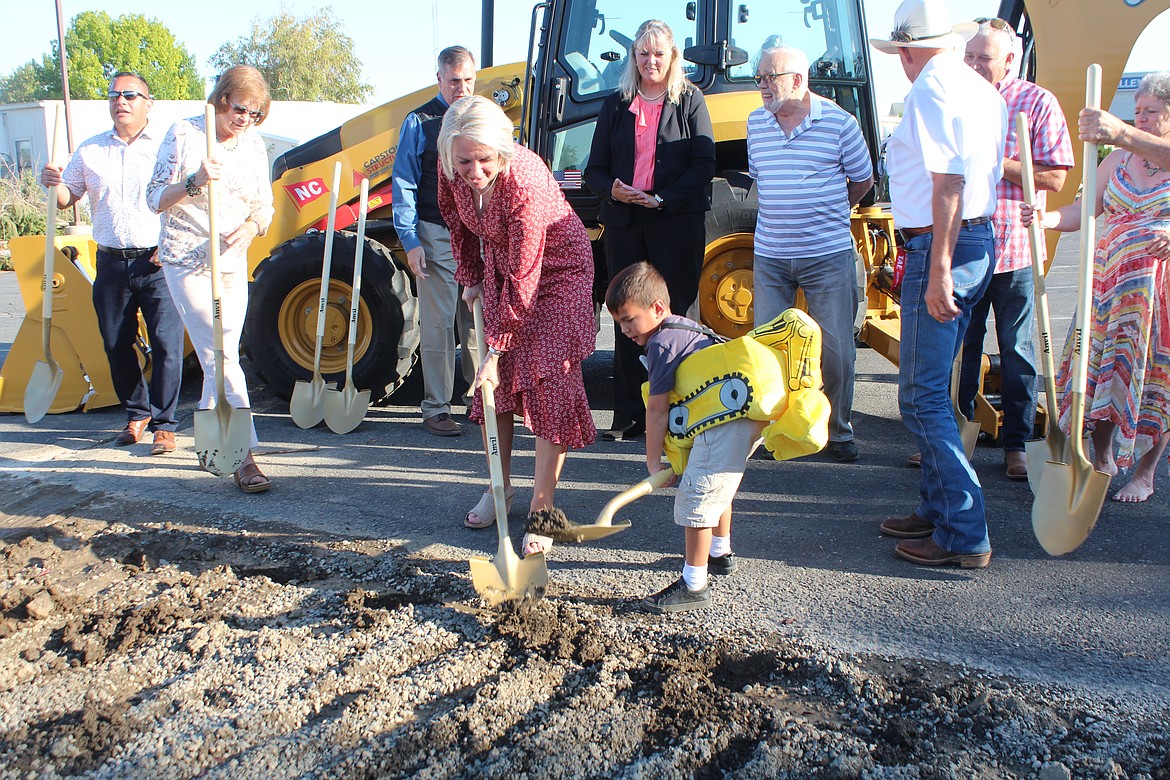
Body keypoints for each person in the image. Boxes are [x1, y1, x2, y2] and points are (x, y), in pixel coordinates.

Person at [870, 0, 1006, 568]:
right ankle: (937, 505)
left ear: (906, 51)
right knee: (936, 388)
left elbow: (948, 180)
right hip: (976, 239)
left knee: (920, 396)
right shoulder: (982, 89)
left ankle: (962, 531)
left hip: (941, 246)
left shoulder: (929, 88)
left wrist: (940, 267)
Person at [436, 95, 596, 552]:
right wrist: (469, 276)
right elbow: (458, 224)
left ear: (500, 150)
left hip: (557, 273)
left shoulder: (523, 181)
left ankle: (542, 511)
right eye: (464, 160)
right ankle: (500, 488)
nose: (474, 171)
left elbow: (528, 275)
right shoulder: (453, 165)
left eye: (484, 160)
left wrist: (495, 350)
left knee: (547, 384)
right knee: (496, 390)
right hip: (504, 267)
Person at [1022, 72, 1170, 503]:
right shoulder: (1118, 160)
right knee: (1101, 373)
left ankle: (1146, 472)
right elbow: (1084, 209)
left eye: (1152, 112)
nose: (1140, 119)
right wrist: (1047, 218)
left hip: (1157, 297)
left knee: (1156, 380)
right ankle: (1100, 459)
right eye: (1137, 111)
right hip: (1108, 291)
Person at [584, 19, 716, 442]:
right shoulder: (615, 103)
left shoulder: (692, 100)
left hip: (675, 221)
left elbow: (703, 165)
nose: (651, 60)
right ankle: (629, 416)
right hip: (625, 223)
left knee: (677, 313)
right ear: (634, 57)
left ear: (673, 56)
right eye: (644, 53)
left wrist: (664, 199)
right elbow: (594, 171)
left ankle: (685, 414)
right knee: (628, 316)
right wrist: (616, 191)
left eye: (659, 53)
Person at [146, 65, 275, 493]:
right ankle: (245, 458)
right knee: (219, 354)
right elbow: (153, 200)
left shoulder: (253, 145)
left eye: (255, 113)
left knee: (221, 354)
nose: (246, 120)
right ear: (222, 100)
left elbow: (264, 206)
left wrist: (252, 228)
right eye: (240, 109)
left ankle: (215, 446)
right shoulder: (185, 135)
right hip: (186, 258)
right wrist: (193, 181)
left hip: (231, 260)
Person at [41, 72, 185, 456]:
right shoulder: (89, 151)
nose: (120, 101)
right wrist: (52, 183)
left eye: (130, 95)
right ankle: (136, 415)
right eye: (114, 95)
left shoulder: (166, 149)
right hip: (110, 263)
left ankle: (164, 426)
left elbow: (186, 198)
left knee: (167, 345)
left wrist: (170, 243)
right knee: (115, 343)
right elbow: (65, 197)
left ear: (148, 103)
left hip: (157, 262)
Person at [606, 262, 761, 613]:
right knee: (718, 489)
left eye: (630, 319)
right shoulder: (686, 327)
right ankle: (720, 553)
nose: (625, 329)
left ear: (658, 308)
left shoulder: (661, 344)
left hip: (720, 425)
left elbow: (657, 409)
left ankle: (695, 585)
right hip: (738, 416)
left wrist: (652, 461)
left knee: (697, 500)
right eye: (619, 323)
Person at [957, 17, 1073, 482]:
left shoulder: (1036, 102)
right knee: (960, 349)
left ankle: (1017, 445)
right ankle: (953, 438)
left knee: (1018, 351)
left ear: (1009, 59)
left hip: (1015, 249)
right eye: (968, 56)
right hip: (964, 244)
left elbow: (1054, 177)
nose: (973, 64)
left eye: (982, 57)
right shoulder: (956, 100)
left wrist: (995, 163)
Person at [746, 43, 874, 463]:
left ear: (798, 80)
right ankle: (779, 433)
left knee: (836, 349)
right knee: (768, 348)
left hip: (826, 255)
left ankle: (838, 431)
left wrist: (828, 211)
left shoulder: (840, 124)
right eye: (759, 77)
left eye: (770, 77)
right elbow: (762, 179)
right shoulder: (755, 123)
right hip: (770, 255)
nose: (762, 86)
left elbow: (862, 181)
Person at [392, 45, 479, 437]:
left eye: (468, 80)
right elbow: (404, 183)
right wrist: (410, 241)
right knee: (439, 324)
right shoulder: (419, 121)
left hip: (478, 233)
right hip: (434, 231)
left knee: (478, 320)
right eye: (454, 81)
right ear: (440, 79)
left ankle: (481, 400)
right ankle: (437, 408)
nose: (462, 88)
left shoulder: (482, 120)